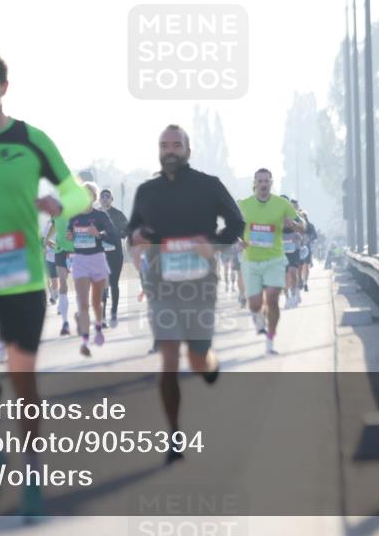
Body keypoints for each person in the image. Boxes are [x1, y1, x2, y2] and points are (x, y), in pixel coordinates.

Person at [0, 48, 89, 516]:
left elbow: (75, 194)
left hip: (24, 279)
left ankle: (32, 471)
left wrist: (57, 205)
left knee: (22, 379)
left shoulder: (32, 140)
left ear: (3, 88)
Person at [128, 125, 244, 463]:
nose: (170, 151)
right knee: (168, 358)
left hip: (200, 283)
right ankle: (174, 436)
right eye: (164, 145)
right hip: (161, 284)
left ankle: (208, 364)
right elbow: (132, 227)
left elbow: (236, 223)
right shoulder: (147, 191)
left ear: (188, 150)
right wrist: (136, 236)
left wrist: (215, 244)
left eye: (176, 145)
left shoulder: (208, 185)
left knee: (196, 359)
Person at [237, 169, 305, 354]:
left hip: (274, 258)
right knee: (255, 304)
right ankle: (258, 318)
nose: (263, 184)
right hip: (251, 260)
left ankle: (270, 339)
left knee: (273, 299)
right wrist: (238, 241)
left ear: (271, 182)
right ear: (255, 183)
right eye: (260, 181)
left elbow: (301, 221)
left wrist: (297, 225)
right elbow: (232, 226)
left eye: (266, 181)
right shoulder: (243, 204)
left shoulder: (282, 204)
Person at [68, 183, 117, 357]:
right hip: (80, 260)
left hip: (97, 259)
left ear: (93, 197)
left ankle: (98, 327)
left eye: (88, 194)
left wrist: (99, 234)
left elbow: (113, 234)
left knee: (96, 303)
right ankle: (85, 343)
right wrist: (70, 236)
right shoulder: (73, 217)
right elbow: (70, 235)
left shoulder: (101, 216)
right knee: (83, 304)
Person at [98, 188, 129, 327]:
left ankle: (114, 312)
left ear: (111, 199)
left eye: (107, 196)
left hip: (115, 253)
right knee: (102, 284)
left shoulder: (118, 214)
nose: (105, 198)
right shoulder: (94, 214)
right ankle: (103, 316)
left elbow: (126, 231)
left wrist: (110, 234)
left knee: (113, 283)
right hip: (99, 254)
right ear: (99, 199)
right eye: (102, 196)